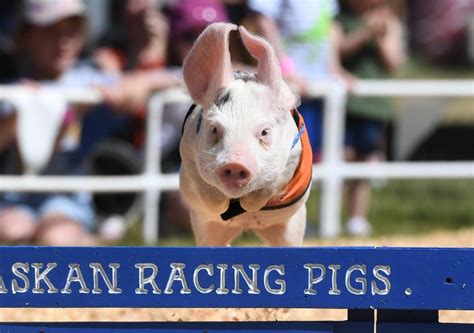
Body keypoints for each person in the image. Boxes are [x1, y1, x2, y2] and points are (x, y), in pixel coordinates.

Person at [0, 0, 109, 246]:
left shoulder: (90, 82)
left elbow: (161, 77)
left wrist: (124, 89)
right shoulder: (12, 91)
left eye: (72, 32)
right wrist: (22, 111)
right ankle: (93, 242)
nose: (63, 42)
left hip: (67, 198)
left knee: (56, 239)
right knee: (11, 232)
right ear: (26, 37)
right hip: (14, 198)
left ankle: (90, 241)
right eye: (50, 32)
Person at [247, 0, 347, 162]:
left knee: (317, 160)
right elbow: (263, 18)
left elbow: (330, 26)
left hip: (320, 87)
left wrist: (335, 67)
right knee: (289, 159)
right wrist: (284, 68)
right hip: (288, 89)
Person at [335, 0, 404, 236]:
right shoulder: (339, 19)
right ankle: (331, 216)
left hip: (374, 106)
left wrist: (381, 34)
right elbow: (338, 51)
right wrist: (365, 32)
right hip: (345, 103)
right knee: (342, 158)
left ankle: (357, 217)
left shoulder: (390, 22)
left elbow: (393, 63)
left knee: (364, 159)